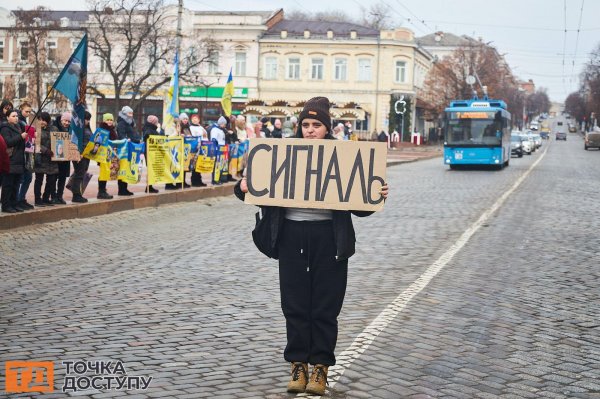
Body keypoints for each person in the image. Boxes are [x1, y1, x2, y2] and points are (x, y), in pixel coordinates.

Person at [234, 97, 388, 396]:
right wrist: (240, 187)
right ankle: (297, 364)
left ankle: (320, 367)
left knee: (325, 306)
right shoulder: (282, 153)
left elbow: (361, 207)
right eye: (305, 124)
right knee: (294, 304)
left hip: (329, 238)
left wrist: (375, 193)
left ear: (327, 128)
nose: (310, 130)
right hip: (291, 236)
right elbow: (254, 188)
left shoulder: (342, 155)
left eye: (317, 125)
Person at [1, 110, 29, 213]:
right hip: (10, 161)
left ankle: (14, 204)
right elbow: (7, 142)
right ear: (7, 117)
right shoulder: (5, 128)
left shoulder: (18, 127)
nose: (16, 118)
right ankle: (6, 205)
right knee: (8, 185)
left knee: (16, 184)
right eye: (13, 116)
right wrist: (20, 137)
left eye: (17, 116)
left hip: (19, 160)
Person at [33, 112, 59, 207]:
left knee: (51, 180)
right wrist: (46, 150)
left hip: (52, 159)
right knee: (39, 180)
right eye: (40, 120)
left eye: (44, 120)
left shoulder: (54, 129)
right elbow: (35, 143)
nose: (42, 122)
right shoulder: (37, 130)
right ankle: (37, 199)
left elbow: (59, 141)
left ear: (48, 120)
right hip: (40, 158)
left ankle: (46, 198)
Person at [70, 111, 93, 203]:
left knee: (81, 174)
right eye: (86, 119)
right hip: (79, 154)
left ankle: (78, 193)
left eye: (88, 119)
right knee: (79, 174)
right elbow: (75, 142)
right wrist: (78, 153)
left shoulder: (87, 129)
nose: (87, 121)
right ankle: (76, 195)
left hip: (86, 155)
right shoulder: (78, 129)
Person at [97, 113, 118, 200]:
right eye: (107, 120)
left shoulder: (112, 130)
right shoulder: (102, 129)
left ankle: (103, 190)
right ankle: (101, 192)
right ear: (104, 121)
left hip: (110, 155)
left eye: (111, 120)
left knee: (106, 173)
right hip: (103, 155)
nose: (109, 121)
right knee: (103, 173)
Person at [116, 106, 136, 196]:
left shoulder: (129, 123)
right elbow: (121, 135)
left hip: (129, 149)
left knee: (127, 169)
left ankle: (125, 188)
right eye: (129, 113)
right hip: (123, 150)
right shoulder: (121, 123)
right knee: (123, 169)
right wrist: (126, 139)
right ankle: (121, 190)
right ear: (124, 114)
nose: (131, 115)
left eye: (132, 113)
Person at [53, 111, 72, 205]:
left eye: (69, 122)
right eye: (65, 121)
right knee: (53, 178)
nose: (67, 123)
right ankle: (53, 196)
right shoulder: (55, 128)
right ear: (61, 120)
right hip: (56, 158)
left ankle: (59, 196)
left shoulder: (70, 130)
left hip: (65, 159)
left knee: (62, 178)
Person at [142, 114, 162, 193]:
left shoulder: (149, 128)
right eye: (156, 122)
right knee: (151, 169)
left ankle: (150, 186)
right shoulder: (149, 129)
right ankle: (149, 187)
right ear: (154, 122)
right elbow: (147, 136)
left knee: (151, 169)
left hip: (151, 151)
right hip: (150, 151)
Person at [188, 114, 207, 187]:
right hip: (194, 148)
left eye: (196, 118)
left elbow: (205, 136)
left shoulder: (201, 128)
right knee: (194, 165)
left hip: (201, 148)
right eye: (193, 118)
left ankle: (199, 180)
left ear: (199, 120)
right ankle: (194, 181)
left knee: (199, 165)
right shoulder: (190, 128)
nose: (195, 120)